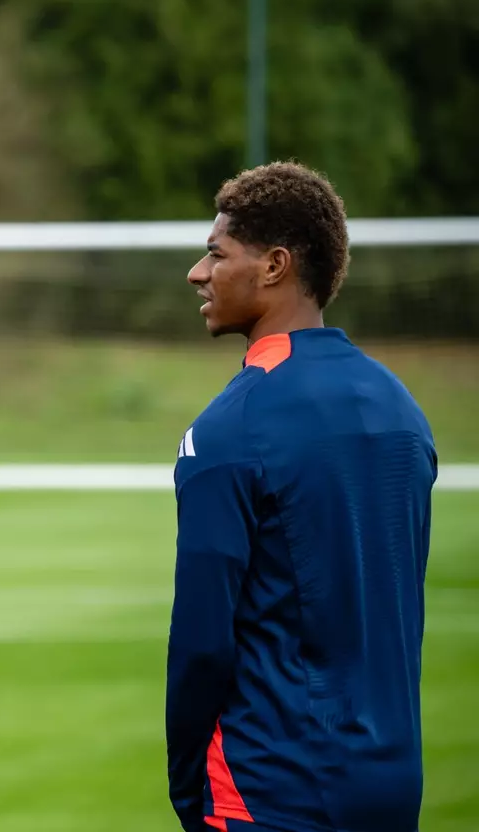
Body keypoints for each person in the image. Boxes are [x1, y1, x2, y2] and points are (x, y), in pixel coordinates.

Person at [167, 162, 437, 832]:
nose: (198, 274)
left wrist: (187, 789)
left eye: (216, 254)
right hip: (393, 783)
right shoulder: (403, 411)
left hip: (272, 788)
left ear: (275, 266)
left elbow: (202, 643)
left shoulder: (230, 428)